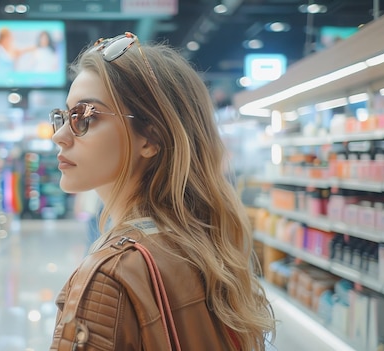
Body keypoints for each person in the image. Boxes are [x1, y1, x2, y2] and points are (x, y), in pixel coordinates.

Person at [49, 32, 275, 350]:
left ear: (150, 138)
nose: (59, 135)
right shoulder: (203, 245)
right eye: (62, 117)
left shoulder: (110, 277)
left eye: (85, 116)